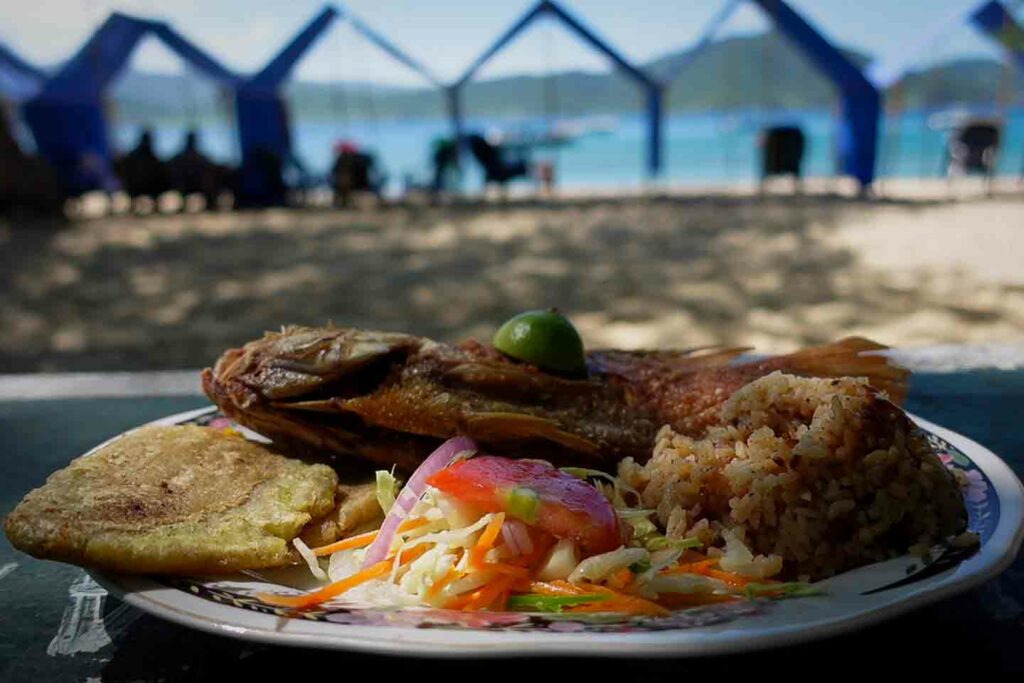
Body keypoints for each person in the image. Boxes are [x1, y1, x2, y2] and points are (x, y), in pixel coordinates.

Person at [330, 140, 382, 207]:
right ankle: (342, 204)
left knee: (343, 184)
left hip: (354, 184)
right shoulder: (360, 158)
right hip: (353, 184)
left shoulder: (351, 159)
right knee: (342, 186)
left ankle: (342, 204)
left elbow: (334, 171)